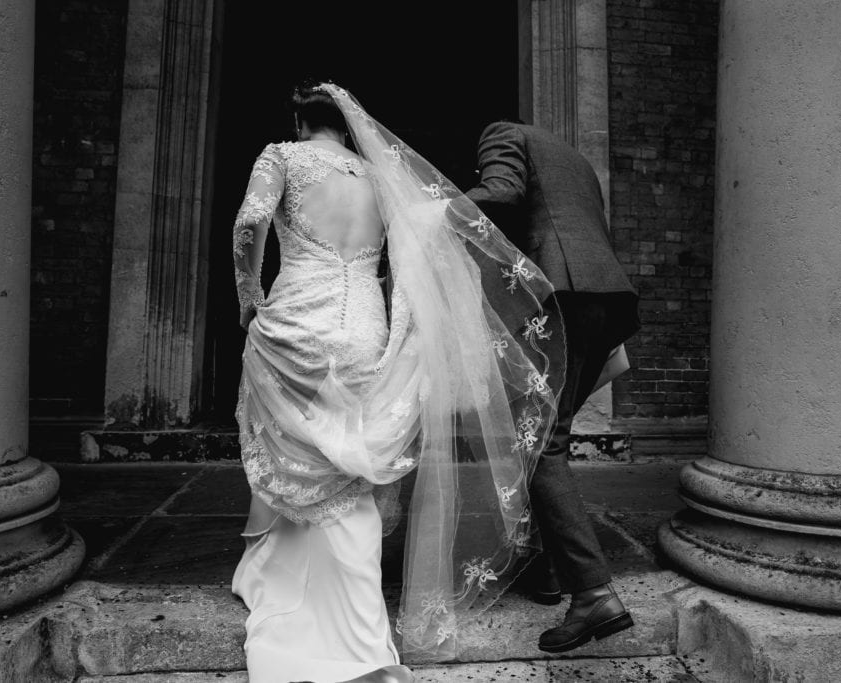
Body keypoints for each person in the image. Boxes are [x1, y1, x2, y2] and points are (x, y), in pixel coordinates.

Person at [229, 83, 566, 682]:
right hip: (364, 326)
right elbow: (415, 255)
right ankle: (289, 576)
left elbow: (252, 220)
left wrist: (248, 298)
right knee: (347, 461)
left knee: (304, 452)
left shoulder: (282, 155)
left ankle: (353, 631)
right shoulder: (379, 178)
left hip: (299, 319)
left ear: (301, 121)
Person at [466, 121, 641, 653]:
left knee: (540, 443)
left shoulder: (500, 132)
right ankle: (552, 571)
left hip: (562, 291)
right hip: (606, 298)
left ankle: (592, 592)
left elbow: (500, 195)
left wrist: (429, 206)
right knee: (546, 434)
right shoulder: (576, 162)